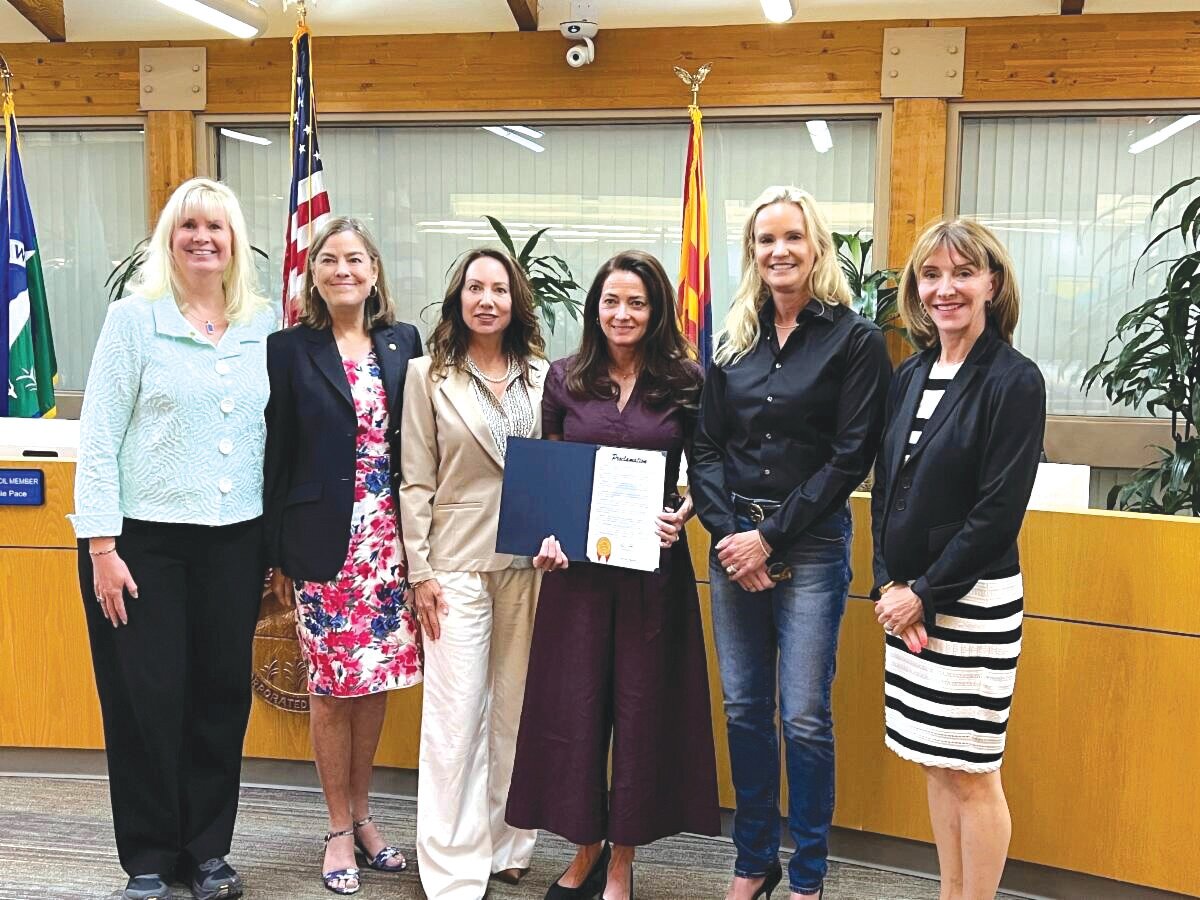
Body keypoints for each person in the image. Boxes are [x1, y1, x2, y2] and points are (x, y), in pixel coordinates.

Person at [70, 177, 275, 900]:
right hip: (140, 546)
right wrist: (100, 546)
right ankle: (152, 857)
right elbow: (97, 439)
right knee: (146, 700)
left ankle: (208, 851)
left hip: (234, 542)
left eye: (216, 226)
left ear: (233, 240)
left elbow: (272, 437)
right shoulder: (134, 320)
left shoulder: (263, 322)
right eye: (188, 225)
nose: (202, 238)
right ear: (169, 237)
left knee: (220, 699)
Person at [690, 186, 891, 900]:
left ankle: (806, 874)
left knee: (804, 713)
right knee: (743, 708)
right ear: (753, 252)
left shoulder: (855, 340)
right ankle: (754, 862)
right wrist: (730, 535)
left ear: (817, 248)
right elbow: (705, 446)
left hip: (808, 547)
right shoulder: (734, 339)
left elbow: (850, 458)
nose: (778, 251)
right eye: (765, 239)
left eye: (792, 238)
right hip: (732, 543)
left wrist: (769, 539)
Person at [505, 250, 721, 900]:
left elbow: (707, 474)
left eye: (637, 303)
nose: (622, 313)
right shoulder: (565, 378)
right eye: (611, 301)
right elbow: (549, 476)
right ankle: (584, 848)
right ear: (594, 308)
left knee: (641, 710)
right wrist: (545, 538)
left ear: (655, 312)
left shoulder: (687, 380)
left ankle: (622, 860)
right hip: (577, 580)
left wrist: (684, 511)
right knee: (574, 710)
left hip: (653, 577)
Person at [871, 218, 1045, 900]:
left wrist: (925, 594)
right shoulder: (911, 373)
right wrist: (890, 581)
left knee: (972, 771)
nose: (945, 288)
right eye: (932, 274)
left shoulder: (1014, 379)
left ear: (991, 283)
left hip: (969, 607)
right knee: (934, 763)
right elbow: (888, 487)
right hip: (908, 602)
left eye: (962, 273)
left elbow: (998, 511)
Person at [262, 217, 423, 895]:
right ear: (314, 275)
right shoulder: (288, 348)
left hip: (389, 545)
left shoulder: (403, 341)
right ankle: (335, 827)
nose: (343, 269)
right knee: (330, 690)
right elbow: (274, 454)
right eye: (330, 259)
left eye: (355, 258)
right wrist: (275, 555)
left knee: (374, 683)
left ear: (374, 270)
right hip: (321, 546)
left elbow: (418, 442)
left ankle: (364, 816)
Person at [399, 247, 548, 900]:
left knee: (516, 713)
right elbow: (414, 479)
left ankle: (507, 843)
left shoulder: (546, 376)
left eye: (500, 288)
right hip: (454, 565)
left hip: (528, 565)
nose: (487, 299)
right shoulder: (426, 376)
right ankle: (454, 866)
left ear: (516, 301)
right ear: (458, 297)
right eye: (474, 287)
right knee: (455, 719)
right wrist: (419, 570)